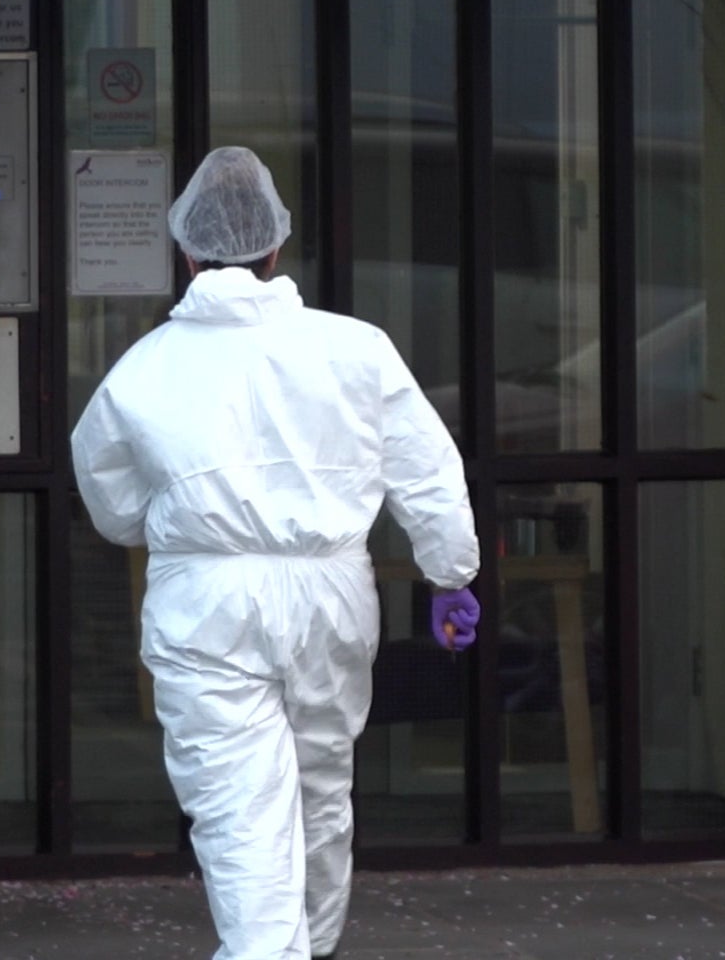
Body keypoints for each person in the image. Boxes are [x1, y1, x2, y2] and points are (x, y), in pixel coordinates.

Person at [70, 146, 481, 960]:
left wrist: (174, 523)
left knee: (238, 807)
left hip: (206, 601)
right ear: (275, 249)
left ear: (186, 252)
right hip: (331, 592)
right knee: (321, 788)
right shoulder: (354, 347)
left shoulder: (142, 369)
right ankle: (308, 946)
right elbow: (427, 468)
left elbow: (110, 502)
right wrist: (449, 575)